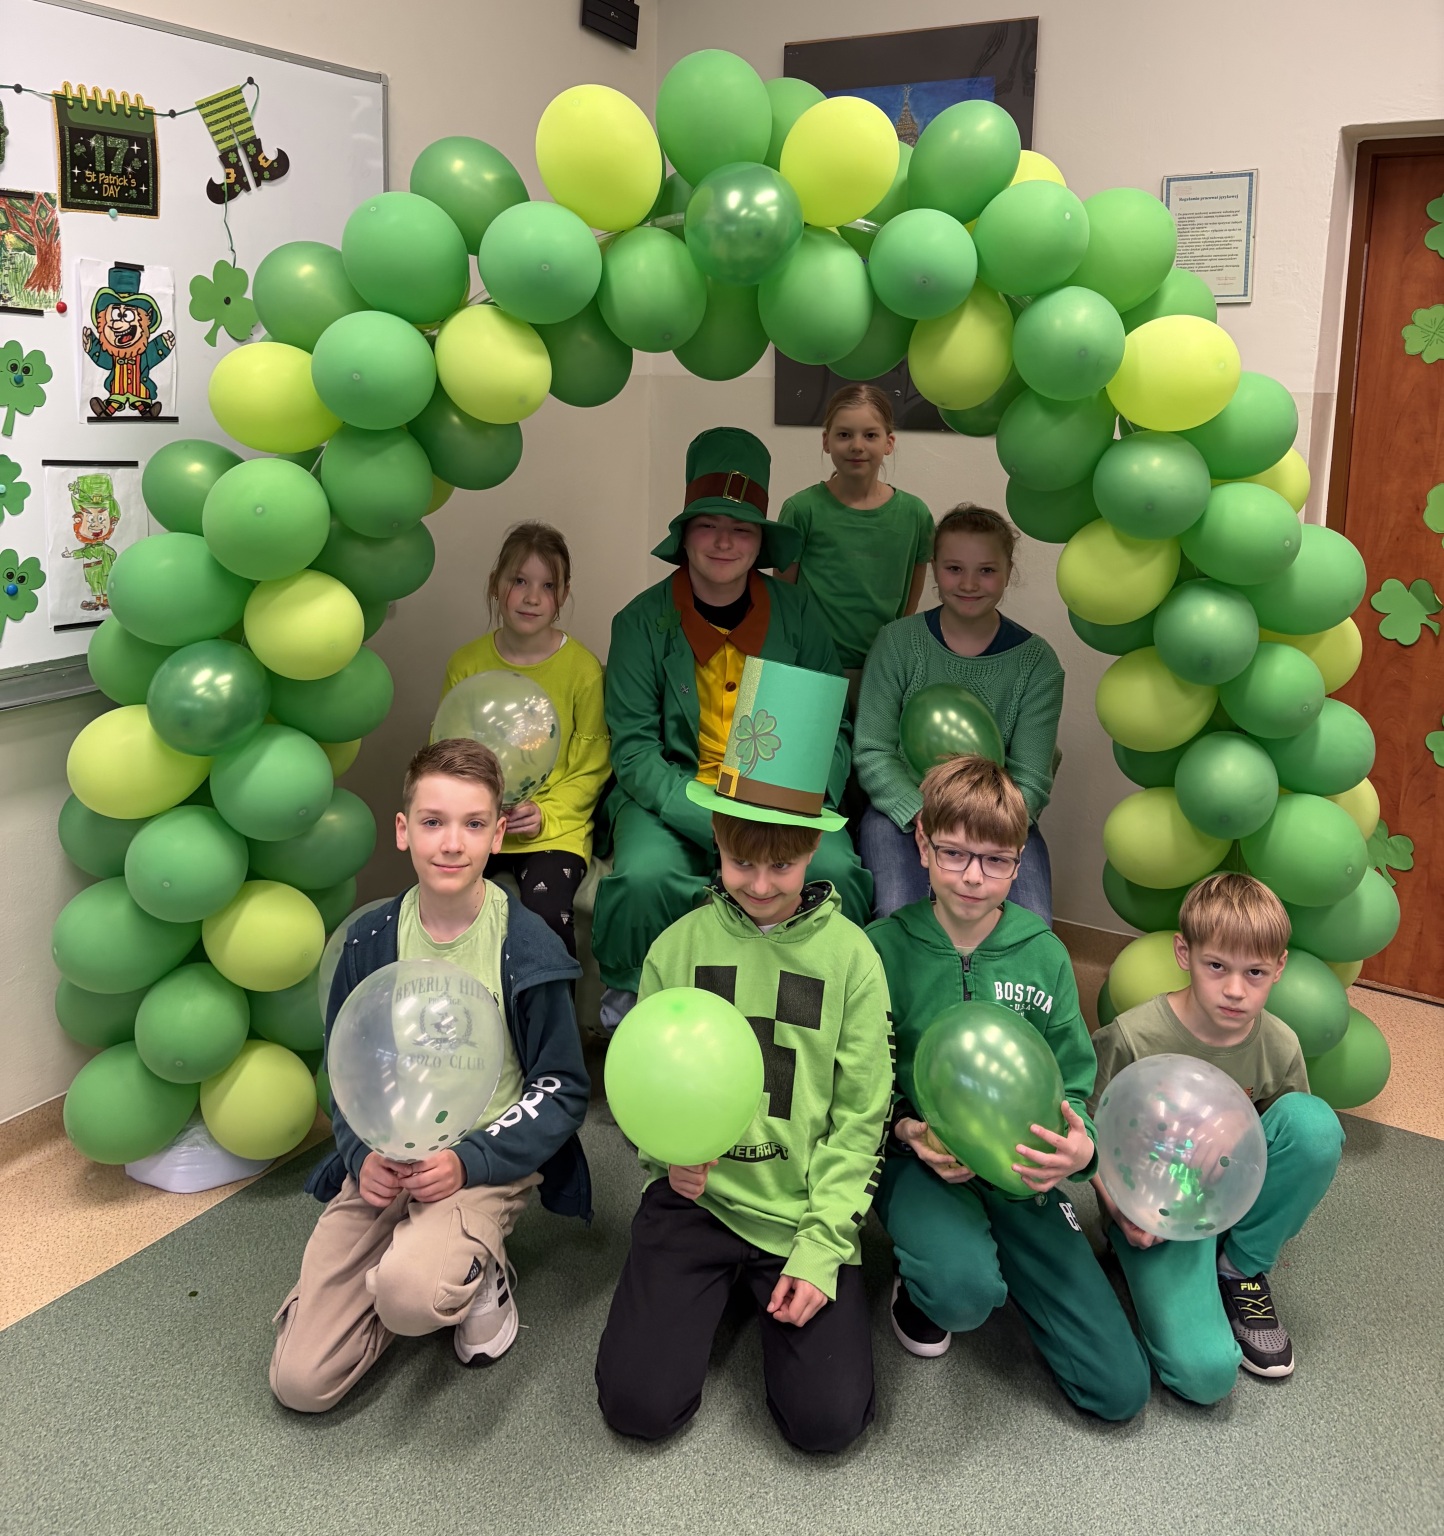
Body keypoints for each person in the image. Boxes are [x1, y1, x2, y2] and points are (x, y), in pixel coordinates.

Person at [595, 658, 892, 1453]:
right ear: (717, 842)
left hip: (801, 1210)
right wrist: (665, 1162)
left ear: (812, 849)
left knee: (826, 1424)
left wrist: (823, 1248)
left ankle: (758, 1285)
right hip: (697, 1201)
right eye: (741, 861)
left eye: (782, 864)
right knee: (636, 1407)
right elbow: (646, 1083)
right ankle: (707, 1289)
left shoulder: (854, 960)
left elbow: (862, 1118)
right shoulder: (677, 947)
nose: (760, 884)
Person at [269, 739, 591, 1413]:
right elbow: (347, 1072)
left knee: (408, 1297)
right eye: (433, 821)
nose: (451, 843)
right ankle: (402, 1262)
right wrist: (359, 1156)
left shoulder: (527, 947)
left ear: (498, 834)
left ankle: (470, 1272)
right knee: (301, 1383)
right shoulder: (368, 943)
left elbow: (562, 1088)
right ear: (403, 830)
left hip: (482, 1157)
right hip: (388, 1156)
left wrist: (468, 1162)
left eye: (473, 824)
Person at [867, 754, 1149, 1423]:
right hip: (922, 1164)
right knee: (962, 1294)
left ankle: (1000, 1251)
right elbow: (858, 1078)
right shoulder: (879, 950)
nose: (973, 876)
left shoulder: (1043, 953)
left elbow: (1072, 1080)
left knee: (1119, 1391)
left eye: (995, 861)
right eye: (954, 853)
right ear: (922, 844)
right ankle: (927, 1279)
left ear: (1019, 864)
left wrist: (1080, 1149)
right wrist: (905, 1128)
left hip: (1025, 1176)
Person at [592, 426, 871, 1034]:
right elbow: (635, 751)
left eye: (742, 528)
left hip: (781, 799)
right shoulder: (639, 623)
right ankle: (632, 1016)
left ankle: (824, 1017)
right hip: (673, 794)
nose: (724, 541)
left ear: (761, 540)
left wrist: (798, 804)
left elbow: (833, 726)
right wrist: (714, 822)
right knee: (644, 878)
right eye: (708, 524)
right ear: (684, 535)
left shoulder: (799, 616)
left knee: (838, 870)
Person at [1089, 873, 1344, 1400]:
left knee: (1317, 1126)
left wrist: (1236, 1125)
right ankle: (1170, 1270)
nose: (1235, 990)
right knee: (1205, 1376)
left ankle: (1240, 1267)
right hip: (1157, 1212)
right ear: (1184, 953)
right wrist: (1119, 1211)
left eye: (1255, 972)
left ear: (1279, 968)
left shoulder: (1279, 1045)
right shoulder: (1134, 1037)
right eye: (1217, 967)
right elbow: (1085, 1132)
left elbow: (1291, 1139)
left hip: (1230, 1199)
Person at [855, 504, 1063, 924]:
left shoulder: (1037, 664)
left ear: (1008, 572)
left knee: (1029, 925)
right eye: (954, 569)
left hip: (997, 823)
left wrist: (978, 833)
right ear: (934, 567)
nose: (969, 584)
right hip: (904, 812)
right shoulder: (897, 643)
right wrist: (922, 815)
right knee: (901, 916)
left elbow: (1031, 780)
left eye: (986, 570)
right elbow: (873, 751)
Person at [439, 522, 609, 959]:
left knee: (546, 919)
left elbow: (591, 766)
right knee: (448, 912)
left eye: (547, 586)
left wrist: (545, 815)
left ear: (563, 595)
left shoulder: (583, 670)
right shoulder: (466, 664)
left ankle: (551, 1006)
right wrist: (476, 811)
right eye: (519, 581)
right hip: (477, 824)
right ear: (496, 585)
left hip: (554, 832)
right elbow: (446, 757)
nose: (532, 597)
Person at [774, 383, 934, 697]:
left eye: (870, 435)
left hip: (884, 671)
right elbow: (782, 599)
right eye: (844, 434)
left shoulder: (915, 515)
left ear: (889, 443)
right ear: (826, 441)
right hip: (813, 667)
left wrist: (894, 655)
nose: (857, 446)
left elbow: (910, 601)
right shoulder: (801, 510)